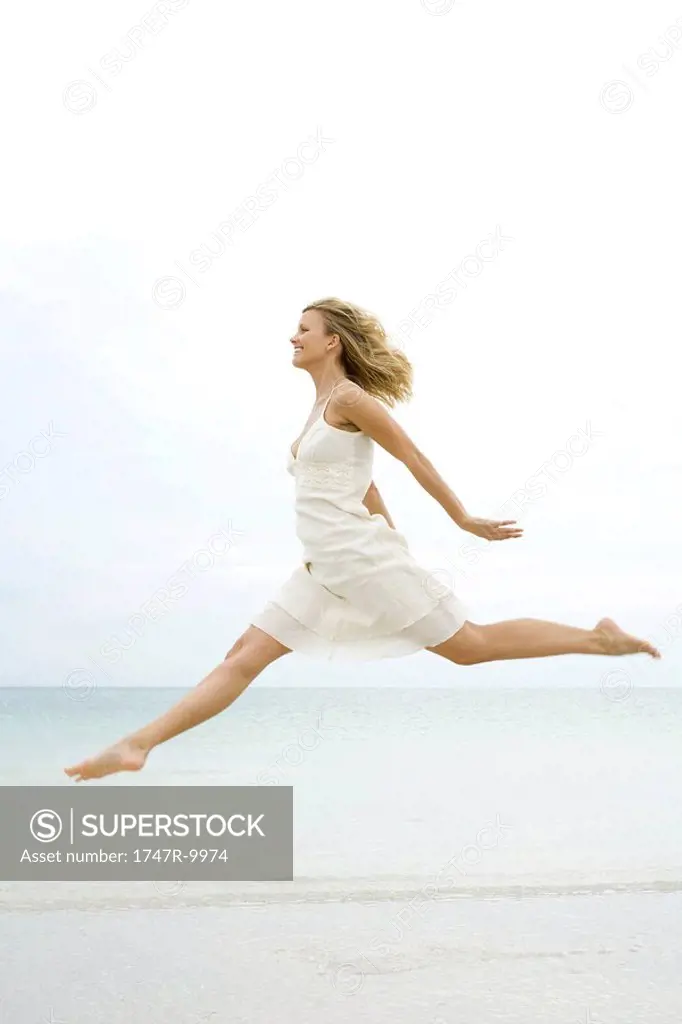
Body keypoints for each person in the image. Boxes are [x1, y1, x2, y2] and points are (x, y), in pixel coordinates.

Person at [64, 297, 660, 782]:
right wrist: (397, 543)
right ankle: (136, 746)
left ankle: (597, 640)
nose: (292, 338)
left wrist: (461, 519)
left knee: (469, 647)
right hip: (326, 567)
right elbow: (366, 484)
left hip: (355, 559)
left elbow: (411, 455)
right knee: (243, 656)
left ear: (332, 342)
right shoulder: (317, 410)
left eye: (303, 329)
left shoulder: (351, 399)